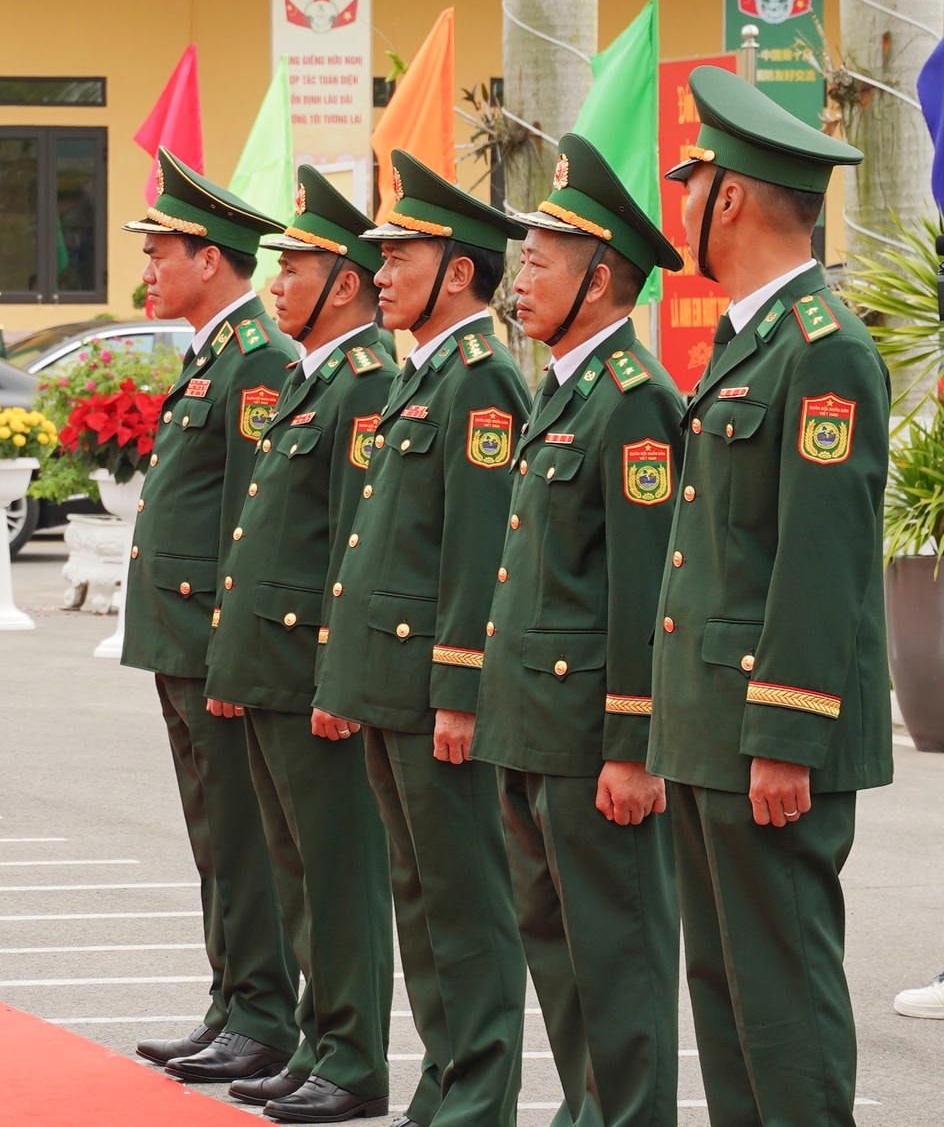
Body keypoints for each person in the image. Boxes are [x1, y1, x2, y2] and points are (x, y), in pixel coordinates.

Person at [650, 65, 891, 1127]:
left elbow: (819, 556)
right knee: (727, 992)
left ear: (728, 196)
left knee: (780, 993)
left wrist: (785, 732)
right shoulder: (747, 338)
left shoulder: (819, 346)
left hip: (766, 729)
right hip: (711, 722)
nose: (677, 205)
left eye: (687, 182)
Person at [315, 150, 530, 1127]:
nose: (379, 272)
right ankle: (442, 1083)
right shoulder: (419, 377)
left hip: (433, 689)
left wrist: (456, 685)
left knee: (465, 902)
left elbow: (476, 554)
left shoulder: (479, 385)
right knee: (418, 899)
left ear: (456, 270)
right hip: (390, 680)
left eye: (398, 253)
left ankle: (477, 1093)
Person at [476, 136, 686, 1127]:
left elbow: (644, 590)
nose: (518, 278)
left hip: (591, 739)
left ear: (599, 278)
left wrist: (632, 745)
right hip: (531, 726)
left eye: (539, 261)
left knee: (616, 956)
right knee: (555, 952)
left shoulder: (634, 404)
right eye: (521, 259)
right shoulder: (562, 390)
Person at [204, 166, 395, 1124]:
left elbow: (354, 548)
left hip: (313, 670)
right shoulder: (314, 378)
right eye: (277, 266)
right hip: (273, 666)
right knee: (295, 868)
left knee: (338, 870)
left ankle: (355, 1055)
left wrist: (336, 675)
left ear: (347, 283)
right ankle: (321, 1039)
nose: (275, 284)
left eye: (298, 265)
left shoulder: (365, 385)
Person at [121, 148, 302, 1086]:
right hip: (182, 642)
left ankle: (265, 1012)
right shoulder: (213, 360)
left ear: (212, 258)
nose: (146, 268)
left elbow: (250, 528)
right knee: (212, 831)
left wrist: (237, 653)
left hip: (216, 644)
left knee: (241, 834)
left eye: (160, 251)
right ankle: (232, 999)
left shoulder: (258, 365)